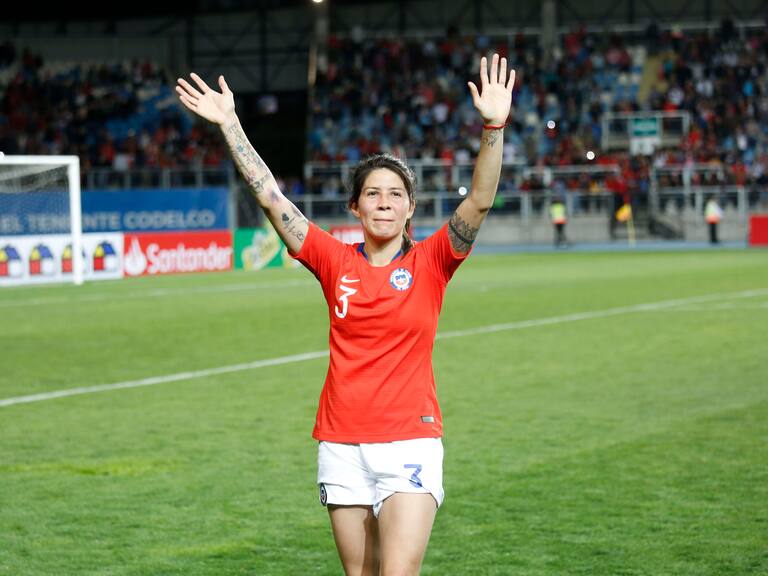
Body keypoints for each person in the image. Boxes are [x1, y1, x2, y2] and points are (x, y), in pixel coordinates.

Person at [176, 53, 515, 576]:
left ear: (410, 210)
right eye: (372, 194)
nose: (384, 202)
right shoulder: (333, 260)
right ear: (355, 207)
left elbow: (481, 199)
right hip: (341, 443)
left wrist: (493, 126)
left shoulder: (434, 261)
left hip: (410, 439)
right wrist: (231, 124)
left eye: (396, 194)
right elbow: (270, 196)